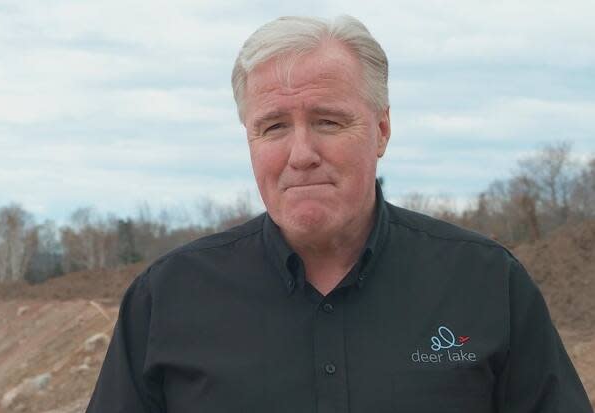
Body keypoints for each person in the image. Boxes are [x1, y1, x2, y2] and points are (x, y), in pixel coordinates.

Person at [86, 15, 592, 412]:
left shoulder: (487, 283)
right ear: (249, 141)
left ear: (382, 130)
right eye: (274, 127)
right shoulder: (167, 298)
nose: (301, 153)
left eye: (328, 121)